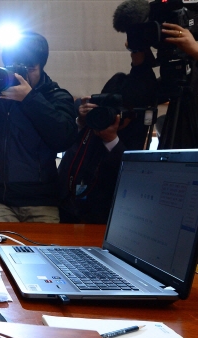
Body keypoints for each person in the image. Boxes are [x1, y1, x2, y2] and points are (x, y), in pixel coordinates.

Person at [0, 31, 77, 223]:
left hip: (42, 201)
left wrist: (30, 99)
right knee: (0, 251)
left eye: (29, 69)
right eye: (14, 68)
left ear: (41, 67)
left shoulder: (55, 96)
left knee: (42, 252)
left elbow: (63, 139)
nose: (20, 75)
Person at [58, 48, 159, 224]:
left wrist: (112, 140)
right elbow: (67, 167)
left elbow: (133, 179)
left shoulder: (138, 134)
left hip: (107, 219)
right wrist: (82, 123)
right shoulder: (92, 126)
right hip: (69, 212)